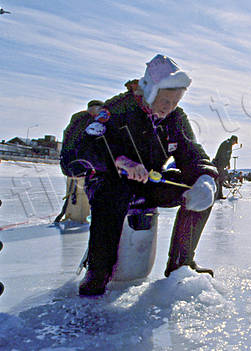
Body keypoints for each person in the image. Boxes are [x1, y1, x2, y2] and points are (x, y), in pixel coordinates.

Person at [72, 54, 218, 296]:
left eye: (175, 101)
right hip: (111, 180)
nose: (168, 107)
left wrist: (205, 176)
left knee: (201, 190)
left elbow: (191, 151)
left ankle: (180, 264)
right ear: (150, 91)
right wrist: (120, 161)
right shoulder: (117, 109)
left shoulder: (175, 118)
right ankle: (98, 272)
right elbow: (87, 146)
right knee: (112, 195)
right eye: (165, 100)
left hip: (149, 180)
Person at [212, 135, 238, 200]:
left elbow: (227, 156)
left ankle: (218, 194)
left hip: (221, 164)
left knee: (221, 179)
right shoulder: (227, 144)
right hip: (220, 164)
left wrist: (228, 164)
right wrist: (224, 165)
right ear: (233, 140)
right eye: (235, 142)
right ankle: (218, 195)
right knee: (220, 180)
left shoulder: (227, 143)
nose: (235, 144)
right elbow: (224, 155)